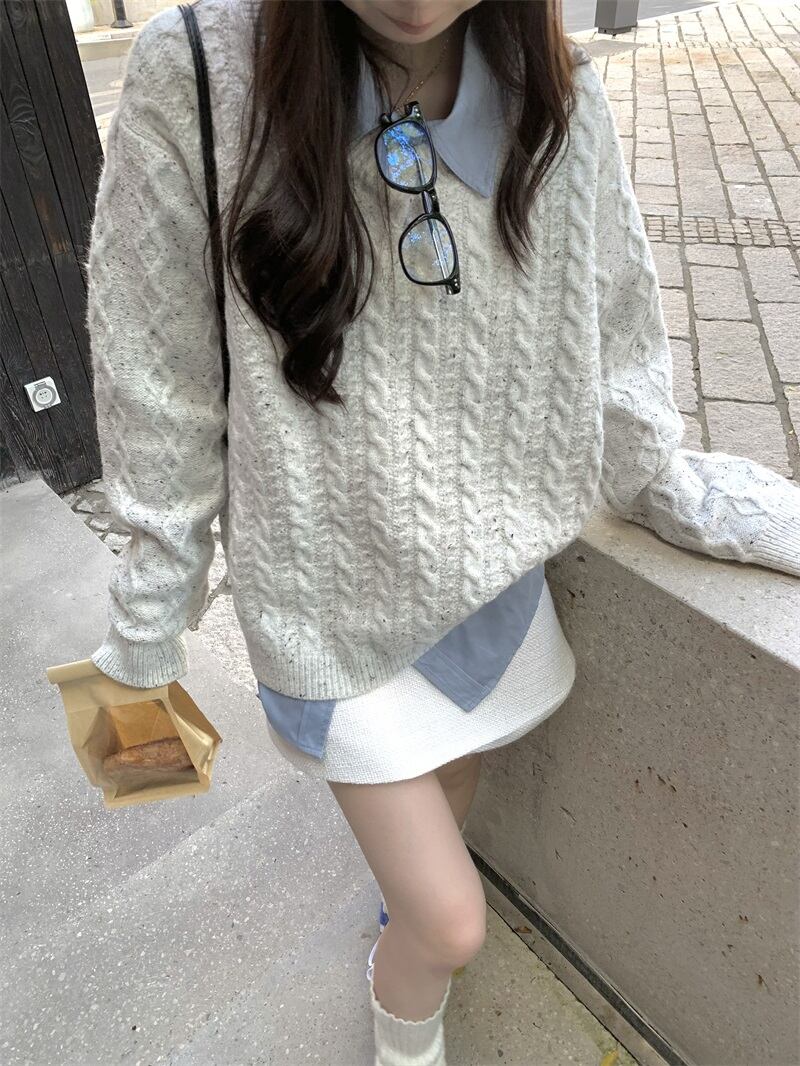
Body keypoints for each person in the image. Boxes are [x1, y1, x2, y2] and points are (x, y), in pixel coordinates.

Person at [83, 0, 800, 1062]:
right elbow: (159, 379)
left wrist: (677, 489)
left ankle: (401, 930)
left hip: (491, 584)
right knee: (449, 922)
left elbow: (616, 332)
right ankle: (404, 1029)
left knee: (444, 812)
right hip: (324, 601)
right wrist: (147, 622)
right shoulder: (195, 72)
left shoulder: (556, 96)